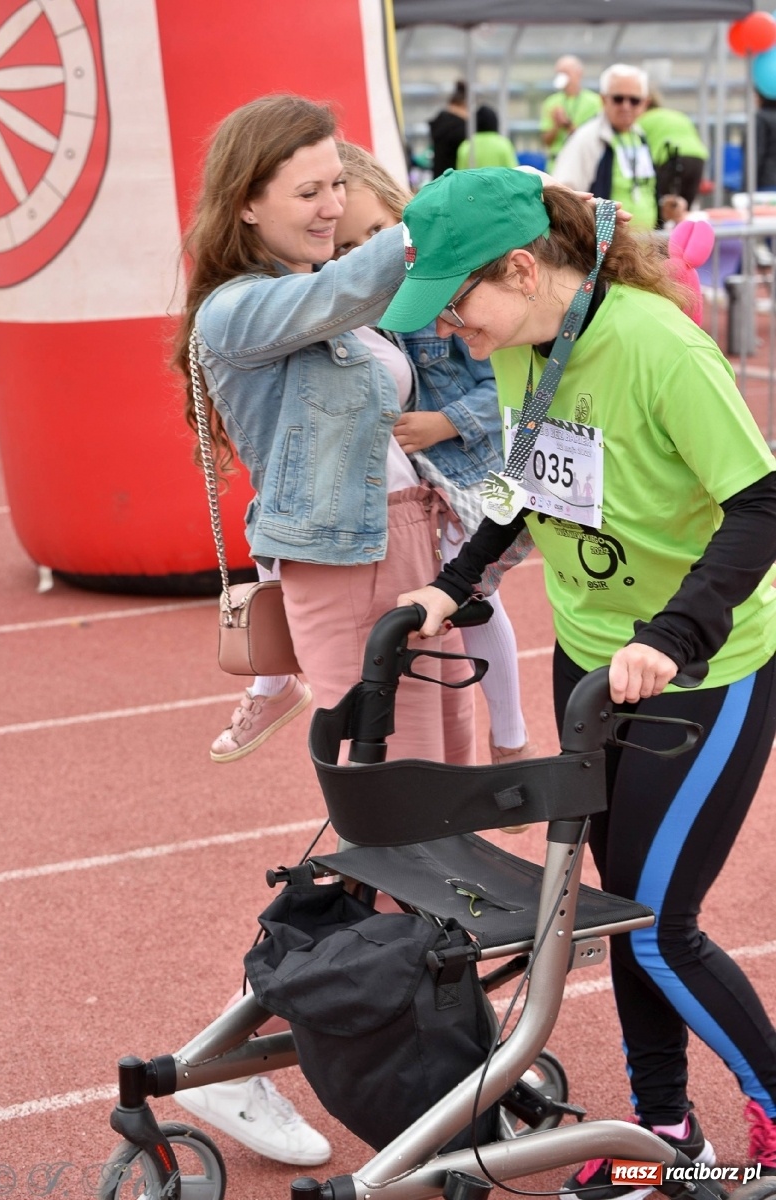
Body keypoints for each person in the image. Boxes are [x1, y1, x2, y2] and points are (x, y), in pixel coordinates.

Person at [378, 166, 776, 1187]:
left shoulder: (657, 346)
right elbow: (526, 477)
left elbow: (764, 504)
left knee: (657, 924)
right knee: (624, 910)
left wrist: (677, 634)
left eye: (458, 308)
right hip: (593, 661)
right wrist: (456, 584)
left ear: (521, 267)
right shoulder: (528, 342)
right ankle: (664, 1137)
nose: (448, 333)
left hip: (699, 671)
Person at [170, 94, 478, 1160]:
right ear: (246, 204)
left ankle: (431, 1058)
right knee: (388, 832)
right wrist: (434, 221)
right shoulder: (238, 312)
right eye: (309, 190)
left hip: (411, 554)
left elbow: (426, 391)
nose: (331, 204)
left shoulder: (313, 291)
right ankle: (245, 1053)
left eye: (338, 184)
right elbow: (361, 285)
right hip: (338, 569)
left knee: (441, 829)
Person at [334, 139, 531, 762]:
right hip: (415, 488)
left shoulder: (433, 305)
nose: (363, 254)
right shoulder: (356, 311)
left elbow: (499, 385)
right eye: (344, 248)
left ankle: (511, 734)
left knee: (475, 591)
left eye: (375, 232)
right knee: (438, 604)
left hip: (465, 472)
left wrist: (444, 422)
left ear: (400, 218)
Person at [553, 63, 659, 230]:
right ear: (603, 99)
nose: (626, 106)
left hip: (641, 247)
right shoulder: (586, 139)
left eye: (634, 100)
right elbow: (563, 195)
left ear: (645, 104)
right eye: (618, 99)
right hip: (604, 249)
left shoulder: (639, 136)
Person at [637, 92, 709, 210]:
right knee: (684, 209)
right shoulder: (676, 115)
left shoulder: (642, 120)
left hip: (670, 158)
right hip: (698, 157)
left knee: (664, 207)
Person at [539, 55, 602, 170]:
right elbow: (546, 141)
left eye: (566, 72)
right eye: (559, 73)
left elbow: (593, 139)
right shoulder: (551, 102)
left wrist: (567, 124)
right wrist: (556, 126)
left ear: (579, 73)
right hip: (556, 164)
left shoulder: (595, 102)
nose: (562, 77)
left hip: (583, 164)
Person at [456, 105, 518, 172]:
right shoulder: (504, 145)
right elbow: (513, 172)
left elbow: (460, 175)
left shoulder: (466, 146)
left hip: (474, 182)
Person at [429, 79, 468, 177]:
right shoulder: (461, 128)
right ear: (463, 105)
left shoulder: (439, 123)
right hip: (455, 181)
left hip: (438, 179)